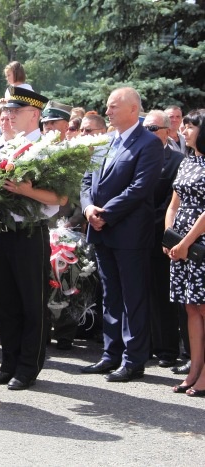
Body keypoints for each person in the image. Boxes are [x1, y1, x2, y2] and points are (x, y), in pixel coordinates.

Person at [0, 85, 64, 391]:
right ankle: (8, 362)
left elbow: (59, 197)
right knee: (5, 301)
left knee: (32, 302)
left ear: (34, 114)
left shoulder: (47, 148)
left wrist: (26, 190)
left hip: (29, 231)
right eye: (8, 111)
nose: (9, 116)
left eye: (16, 111)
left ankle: (28, 366)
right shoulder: (5, 146)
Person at [80, 87, 164, 382]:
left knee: (132, 298)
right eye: (107, 106)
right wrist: (89, 208)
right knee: (110, 296)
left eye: (114, 106)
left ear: (133, 110)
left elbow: (140, 188)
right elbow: (87, 180)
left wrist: (106, 213)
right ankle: (110, 354)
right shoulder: (105, 142)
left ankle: (133, 360)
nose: (108, 112)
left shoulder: (149, 143)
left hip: (129, 234)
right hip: (102, 231)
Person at [164, 109, 205, 396]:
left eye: (191, 126)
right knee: (190, 307)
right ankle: (194, 370)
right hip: (181, 244)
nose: (185, 130)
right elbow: (174, 204)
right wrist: (170, 238)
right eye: (186, 126)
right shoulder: (188, 161)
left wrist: (186, 243)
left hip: (199, 244)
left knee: (204, 307)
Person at [141, 110, 184, 369]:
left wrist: (153, 226)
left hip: (159, 235)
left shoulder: (177, 160)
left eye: (153, 128)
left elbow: (171, 202)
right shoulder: (136, 154)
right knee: (138, 293)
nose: (148, 133)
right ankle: (141, 346)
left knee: (161, 294)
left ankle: (167, 349)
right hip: (133, 235)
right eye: (144, 128)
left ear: (168, 131)